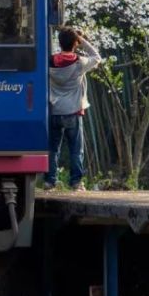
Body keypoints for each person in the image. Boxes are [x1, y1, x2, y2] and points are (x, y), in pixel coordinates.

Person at [45, 27, 101, 191]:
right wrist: (81, 39)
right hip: (73, 111)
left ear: (60, 42)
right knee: (76, 150)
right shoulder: (79, 63)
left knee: (53, 149)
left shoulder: (49, 61)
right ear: (75, 43)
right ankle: (76, 182)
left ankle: (50, 181)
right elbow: (97, 57)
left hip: (55, 110)